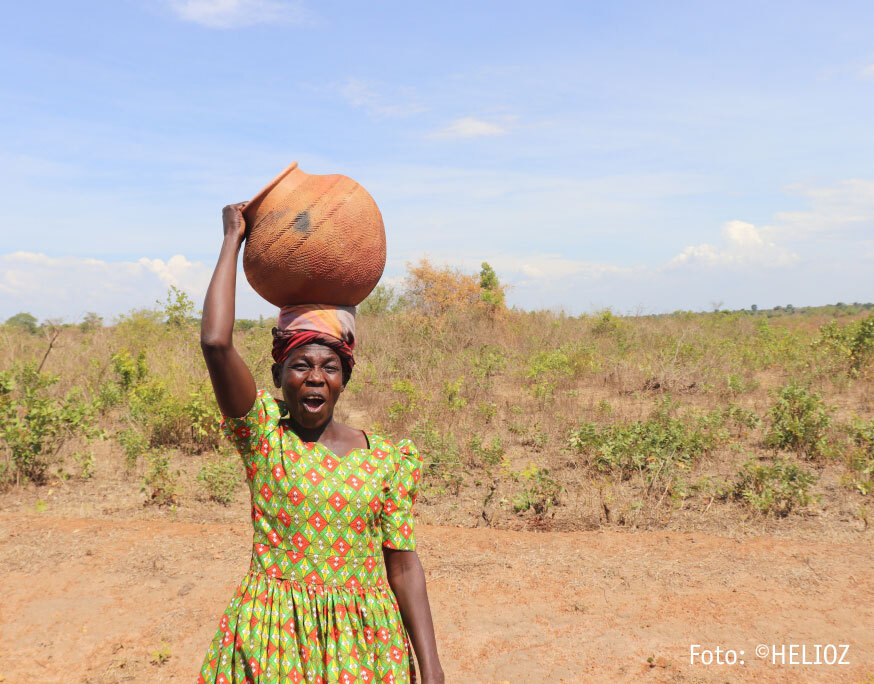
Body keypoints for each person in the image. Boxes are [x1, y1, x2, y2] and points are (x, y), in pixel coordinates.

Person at [196, 202, 444, 684]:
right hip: (275, 637)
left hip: (366, 644)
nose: (314, 378)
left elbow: (404, 567)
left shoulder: (388, 460)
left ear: (344, 378)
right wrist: (232, 239)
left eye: (328, 367)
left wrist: (430, 666)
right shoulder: (266, 438)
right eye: (300, 366)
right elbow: (216, 343)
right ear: (279, 375)